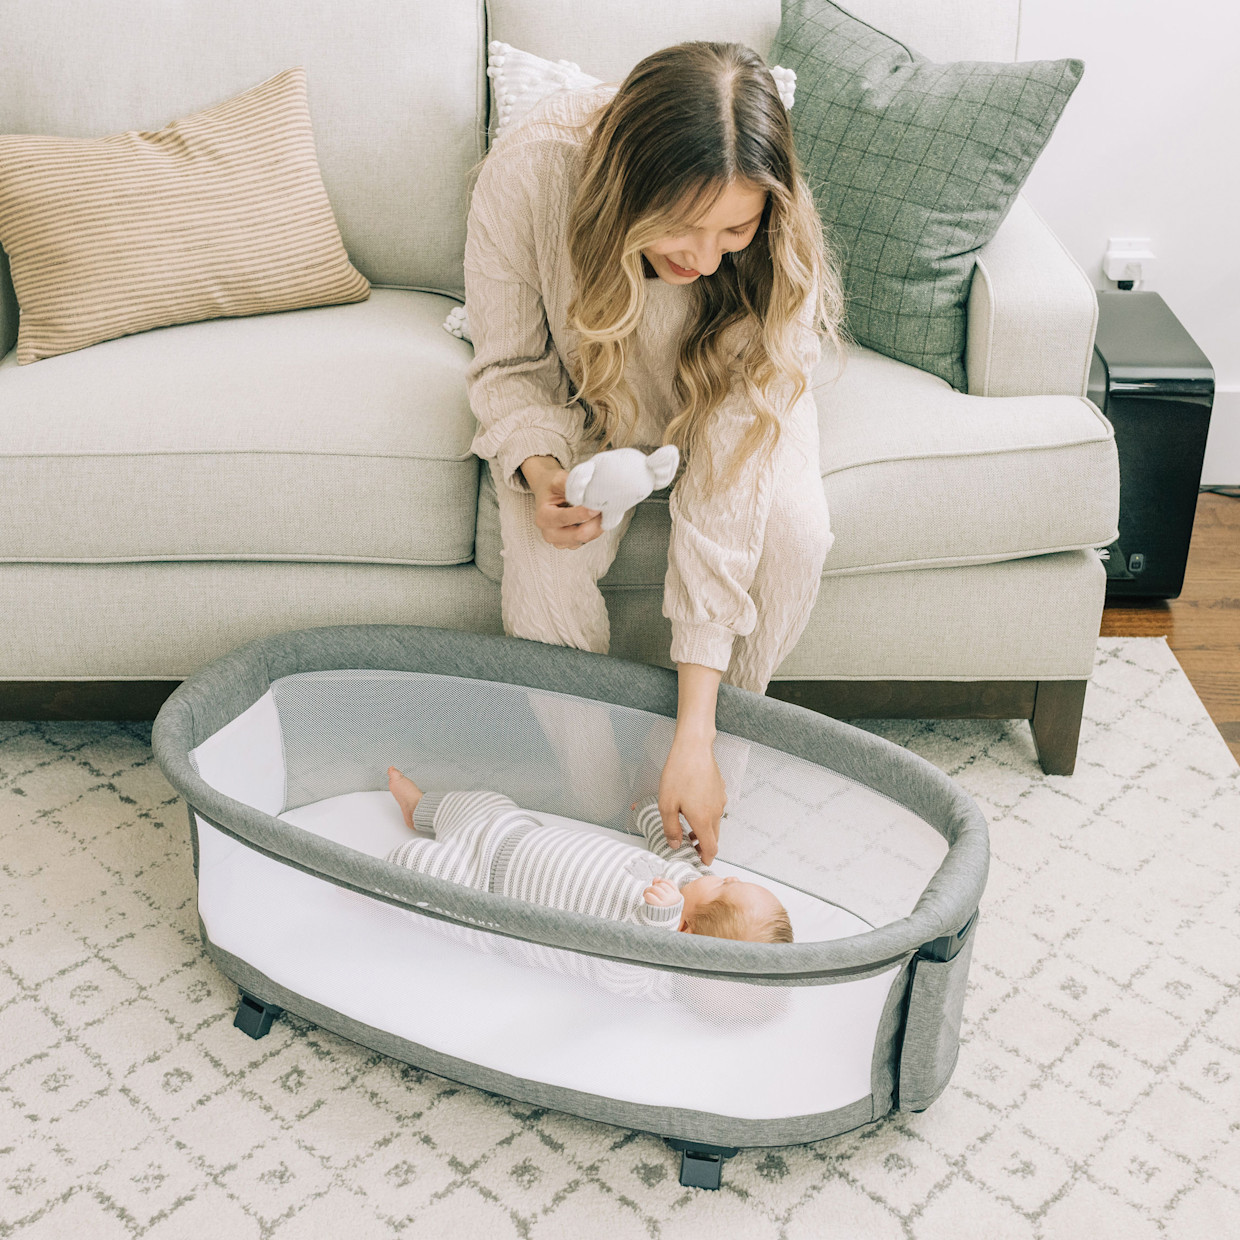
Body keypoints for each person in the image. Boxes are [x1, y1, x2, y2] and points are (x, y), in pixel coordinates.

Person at [463, 41, 850, 868]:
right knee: (542, 560)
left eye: (733, 230)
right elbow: (509, 368)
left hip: (733, 406)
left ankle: (704, 770)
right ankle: (601, 803)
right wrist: (539, 471)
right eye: (680, 226)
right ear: (626, 187)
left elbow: (726, 490)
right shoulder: (529, 172)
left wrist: (694, 731)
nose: (706, 258)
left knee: (792, 535)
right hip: (586, 399)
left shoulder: (774, 247)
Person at [384, 766, 793, 943]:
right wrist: (654, 812)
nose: (730, 876)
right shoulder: (688, 878)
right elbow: (673, 846)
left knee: (416, 866)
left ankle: (372, 887)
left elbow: (627, 964)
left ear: (687, 931)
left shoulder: (652, 956)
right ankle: (420, 808)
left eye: (724, 887)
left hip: (482, 889)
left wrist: (663, 925)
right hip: (512, 832)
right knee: (483, 802)